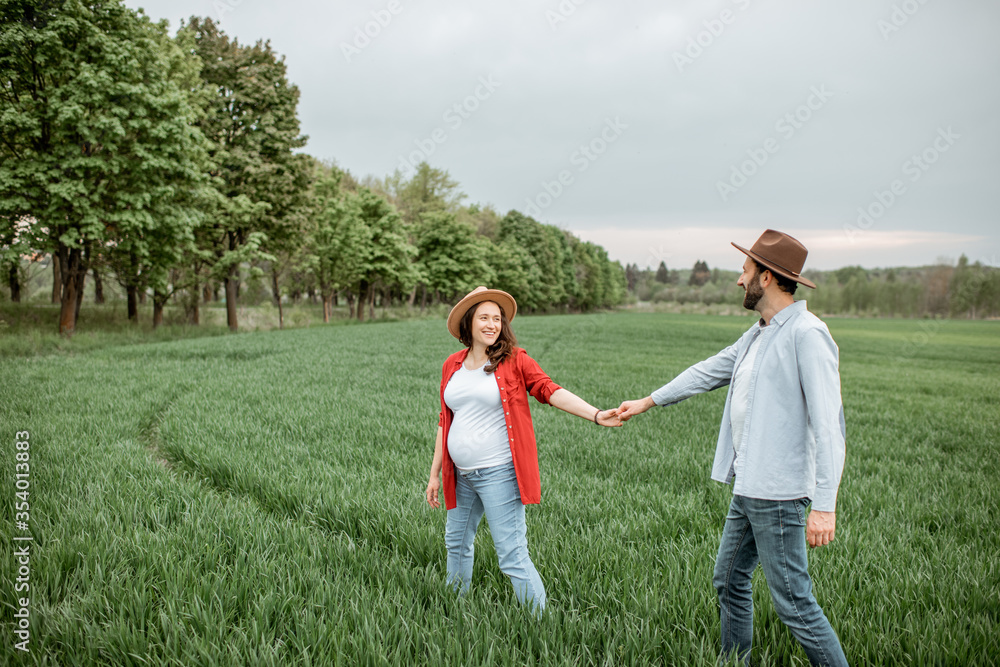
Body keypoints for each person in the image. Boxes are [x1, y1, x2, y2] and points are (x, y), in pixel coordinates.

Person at [616, 230, 848, 666]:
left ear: (768, 277)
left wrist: (824, 505)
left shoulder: (807, 333)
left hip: (778, 493)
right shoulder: (757, 335)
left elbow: (829, 424)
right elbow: (707, 371)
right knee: (729, 580)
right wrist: (648, 401)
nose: (740, 280)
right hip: (750, 486)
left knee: (795, 604)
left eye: (746, 271)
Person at [425, 286, 620, 613]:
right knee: (456, 545)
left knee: (512, 554)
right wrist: (434, 475)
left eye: (497, 318)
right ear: (469, 323)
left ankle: (541, 627)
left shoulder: (515, 360)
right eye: (484, 317)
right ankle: (452, 610)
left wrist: (596, 415)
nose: (491, 324)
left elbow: (549, 390)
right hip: (460, 475)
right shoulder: (452, 365)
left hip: (498, 473)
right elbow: (445, 422)